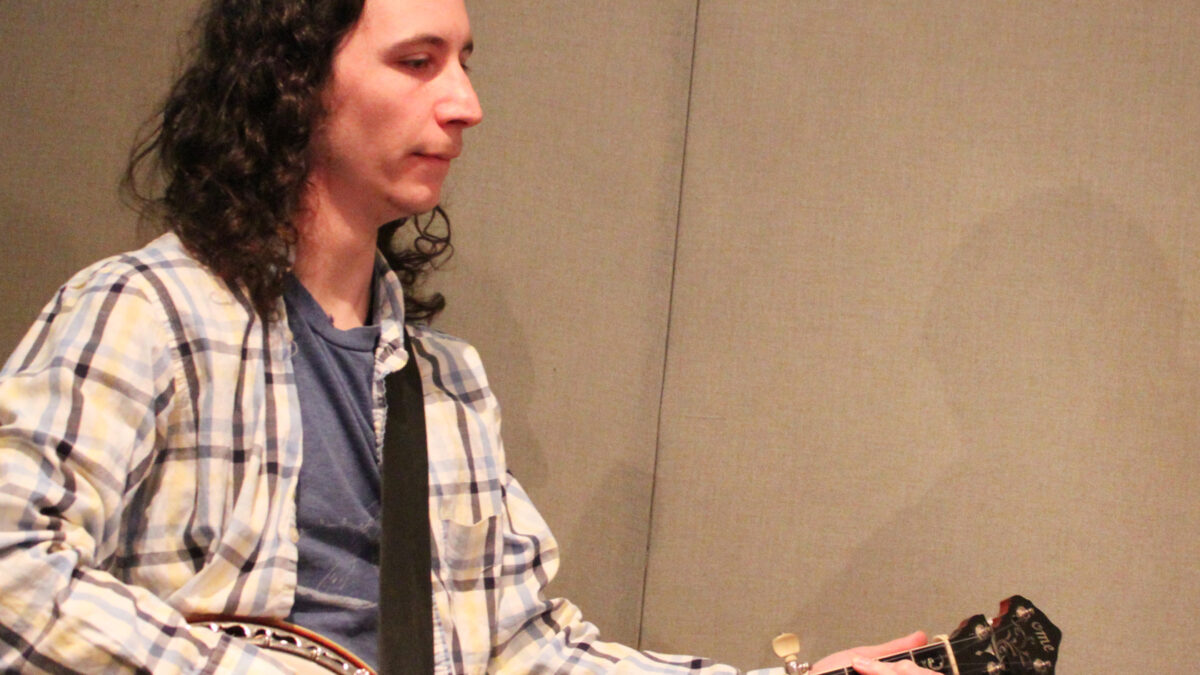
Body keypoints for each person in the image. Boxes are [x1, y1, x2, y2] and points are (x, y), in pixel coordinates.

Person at [0, 0, 941, 673]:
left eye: (464, 60)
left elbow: (526, 647)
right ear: (294, 83)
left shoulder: (445, 389)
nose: (465, 103)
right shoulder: (147, 312)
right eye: (417, 62)